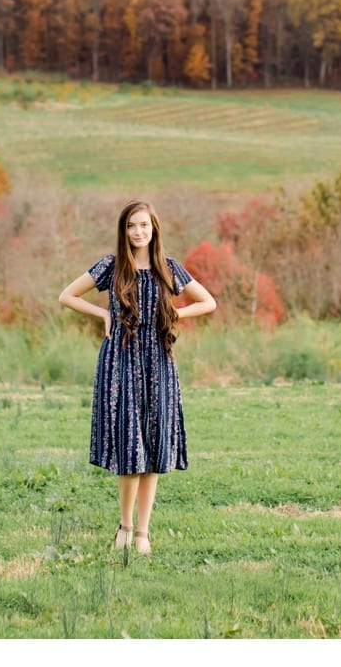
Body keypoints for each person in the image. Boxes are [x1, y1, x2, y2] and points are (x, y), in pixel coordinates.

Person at [58, 199, 217, 555]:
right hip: (121, 360)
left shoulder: (169, 269)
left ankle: (144, 532)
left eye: (144, 225)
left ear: (154, 228)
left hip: (159, 360)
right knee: (130, 445)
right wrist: (102, 315)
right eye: (132, 226)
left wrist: (177, 313)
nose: (138, 231)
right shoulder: (110, 267)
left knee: (155, 445)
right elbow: (66, 295)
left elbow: (209, 302)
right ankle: (125, 526)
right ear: (124, 231)